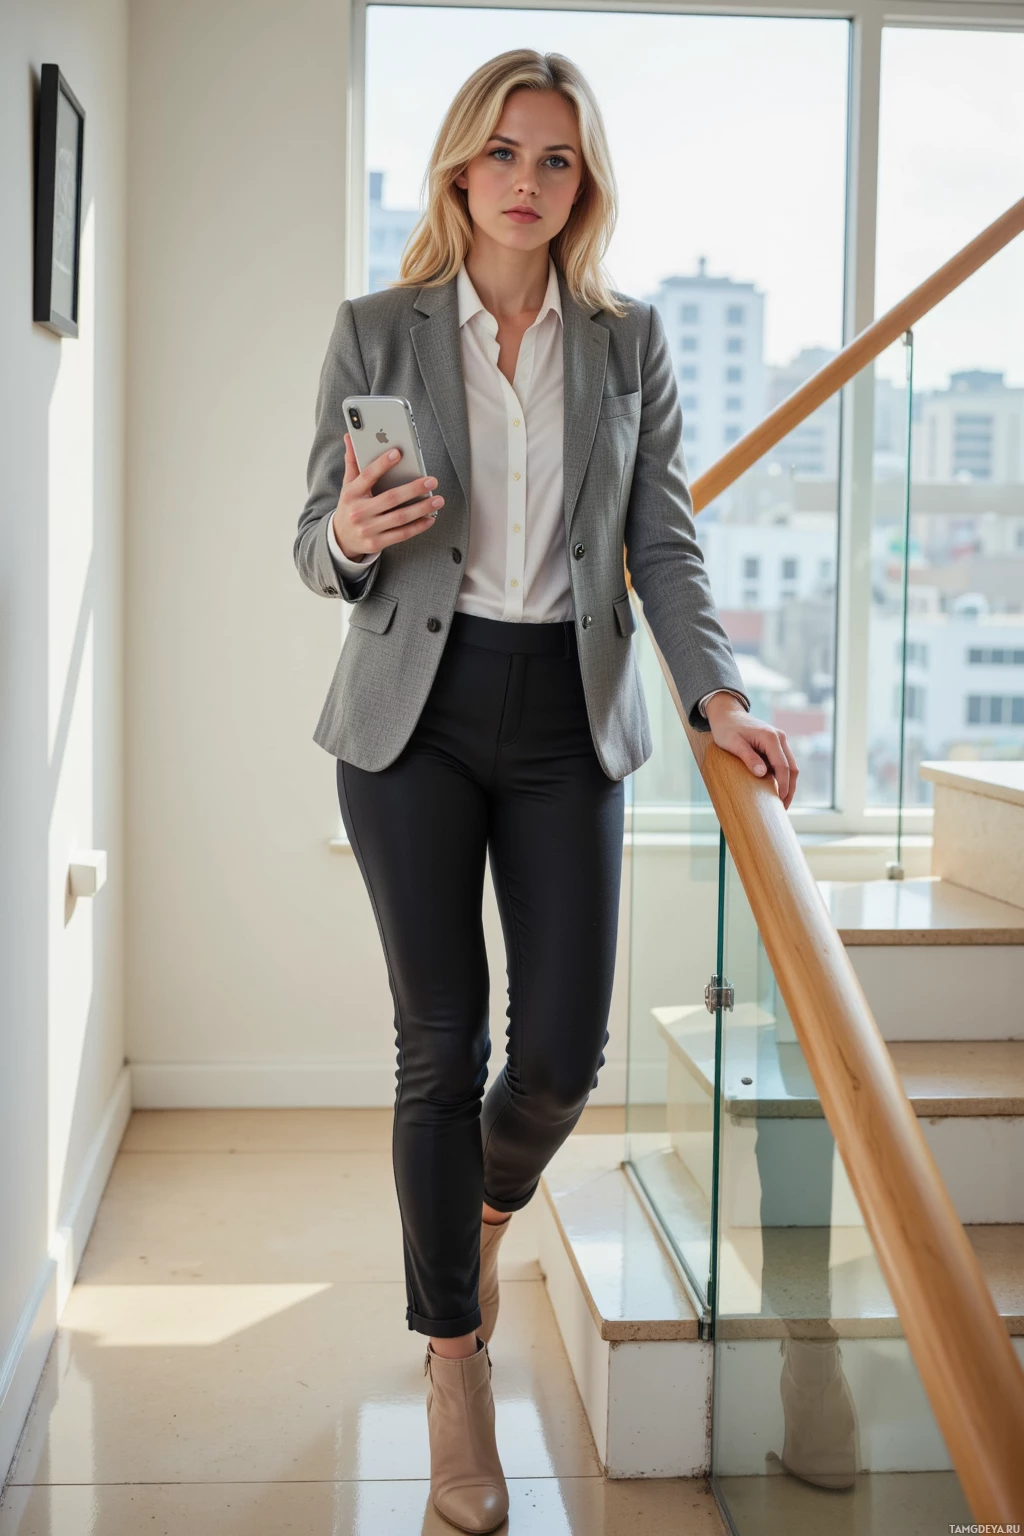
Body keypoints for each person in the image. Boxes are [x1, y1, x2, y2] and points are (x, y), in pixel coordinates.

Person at [294, 47, 798, 1534]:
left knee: (563, 1053)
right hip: (413, 715)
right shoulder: (375, 330)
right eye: (505, 153)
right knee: (436, 1044)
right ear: (461, 167)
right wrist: (350, 530)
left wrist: (717, 693)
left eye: (557, 160)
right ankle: (454, 1364)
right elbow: (311, 550)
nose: (527, 180)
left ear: (583, 186)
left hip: (568, 715)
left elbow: (667, 541)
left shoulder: (626, 341)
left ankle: (479, 1219)